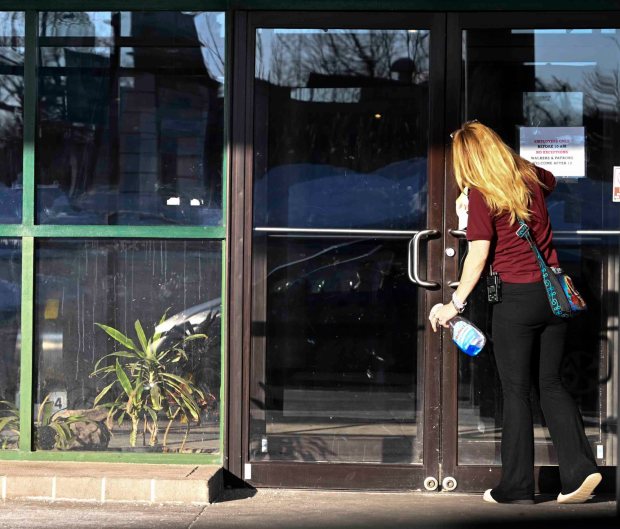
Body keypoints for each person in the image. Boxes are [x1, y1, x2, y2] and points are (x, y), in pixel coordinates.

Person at [429, 121, 601, 504]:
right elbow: (551, 178)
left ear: (467, 159)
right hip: (553, 295)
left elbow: (477, 256)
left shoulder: (480, 195)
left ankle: (518, 486)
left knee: (516, 392)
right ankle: (581, 472)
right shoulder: (529, 177)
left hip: (515, 300)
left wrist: (453, 304)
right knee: (552, 384)